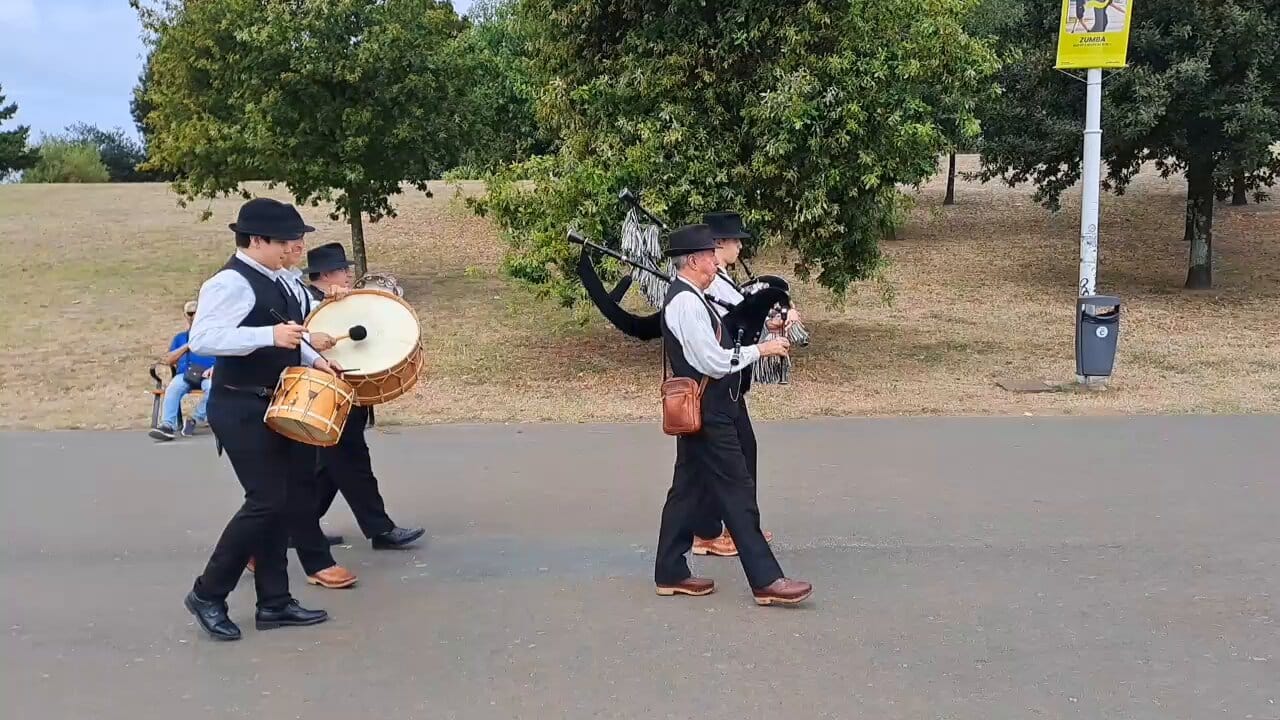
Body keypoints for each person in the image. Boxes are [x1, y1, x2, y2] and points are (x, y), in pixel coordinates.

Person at [183, 197, 338, 640]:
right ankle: (208, 593)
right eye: (288, 241)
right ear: (256, 240)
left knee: (284, 501)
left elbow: (292, 334)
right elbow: (204, 338)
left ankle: (274, 601)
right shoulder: (230, 283)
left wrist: (313, 358)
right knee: (266, 500)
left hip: (278, 401)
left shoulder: (282, 280)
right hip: (240, 405)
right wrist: (267, 334)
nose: (295, 248)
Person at [653, 223, 812, 606]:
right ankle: (766, 580)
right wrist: (765, 350)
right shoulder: (687, 302)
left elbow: (725, 335)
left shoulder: (696, 295)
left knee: (686, 491)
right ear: (693, 261)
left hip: (708, 409)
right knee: (737, 491)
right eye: (710, 255)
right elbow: (712, 360)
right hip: (710, 412)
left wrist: (764, 330)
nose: (715, 260)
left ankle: (670, 572)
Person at [682, 210, 802, 557]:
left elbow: (743, 319)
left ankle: (707, 530)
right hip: (719, 384)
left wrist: (774, 316)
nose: (739, 248)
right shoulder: (710, 283)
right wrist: (773, 318)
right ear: (719, 244)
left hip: (728, 382)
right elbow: (733, 324)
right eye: (736, 241)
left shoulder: (721, 280)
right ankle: (735, 531)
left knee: (702, 463)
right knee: (738, 457)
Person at [303, 242, 426, 550]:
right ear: (327, 273)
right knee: (353, 462)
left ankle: (297, 528)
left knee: (329, 469)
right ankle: (381, 530)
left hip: (345, 393)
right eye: (343, 270)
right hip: (326, 395)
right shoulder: (309, 304)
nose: (348, 275)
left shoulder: (342, 301)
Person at [149, 300, 216, 440]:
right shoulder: (180, 338)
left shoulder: (213, 335)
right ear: (186, 316)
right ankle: (167, 426)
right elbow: (169, 360)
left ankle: (194, 418)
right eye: (191, 313)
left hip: (208, 375)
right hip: (186, 375)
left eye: (197, 313)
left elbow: (226, 355)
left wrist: (215, 368)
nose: (194, 316)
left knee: (213, 388)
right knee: (173, 388)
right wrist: (188, 345)